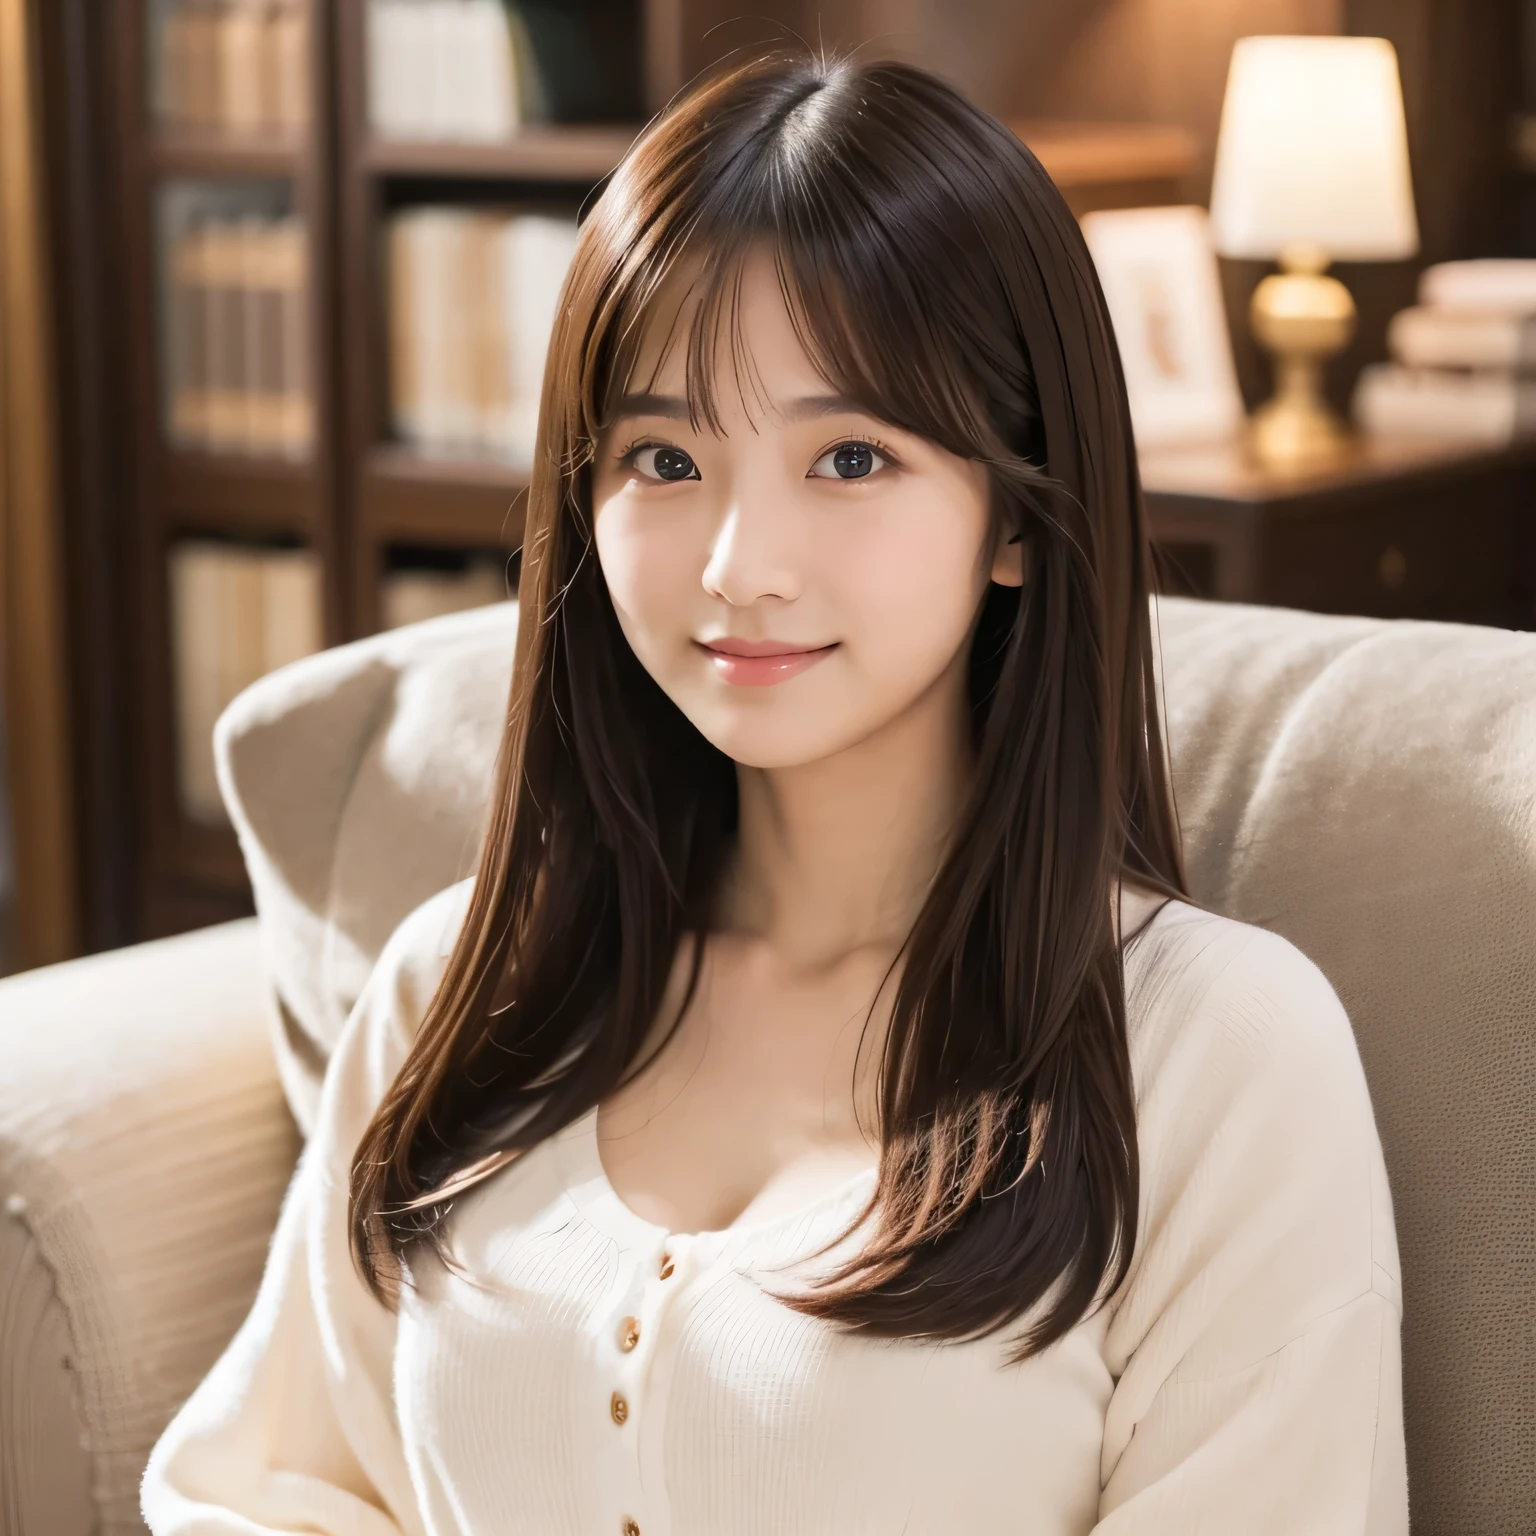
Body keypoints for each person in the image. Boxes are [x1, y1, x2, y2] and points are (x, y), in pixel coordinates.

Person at [141, 46, 1406, 1536]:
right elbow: (257, 1490)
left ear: (1016, 510)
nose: (740, 564)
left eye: (850, 456)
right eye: (665, 458)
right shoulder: (462, 992)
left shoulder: (1210, 1055)